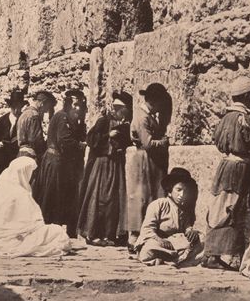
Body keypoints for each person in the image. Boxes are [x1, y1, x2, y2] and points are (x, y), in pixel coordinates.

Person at [201, 75, 250, 271]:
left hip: (225, 166)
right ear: (246, 96)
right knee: (234, 209)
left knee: (220, 207)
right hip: (239, 169)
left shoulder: (224, 118)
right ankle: (230, 255)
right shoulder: (243, 118)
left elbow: (217, 140)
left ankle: (212, 252)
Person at [0, 155, 84, 257]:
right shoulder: (20, 193)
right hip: (17, 236)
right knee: (57, 232)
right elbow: (33, 223)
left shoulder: (4, 187)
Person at [77, 91, 132, 246]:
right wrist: (108, 135)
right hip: (102, 165)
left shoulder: (125, 124)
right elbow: (91, 140)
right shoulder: (103, 121)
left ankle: (109, 234)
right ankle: (93, 233)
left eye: (119, 109)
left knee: (113, 200)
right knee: (98, 198)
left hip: (115, 165)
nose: (117, 111)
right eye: (115, 108)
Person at [125, 82, 171, 249]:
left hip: (148, 160)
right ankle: (135, 236)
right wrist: (164, 142)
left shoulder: (147, 115)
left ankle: (144, 234)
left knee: (147, 195)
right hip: (144, 160)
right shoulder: (142, 116)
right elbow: (148, 143)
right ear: (154, 101)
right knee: (141, 196)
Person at [40, 89, 87, 236]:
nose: (77, 108)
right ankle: (50, 229)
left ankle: (64, 228)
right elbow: (64, 141)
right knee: (54, 196)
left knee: (64, 196)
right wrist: (81, 145)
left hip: (62, 163)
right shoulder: (62, 117)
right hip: (56, 162)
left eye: (80, 105)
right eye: (75, 105)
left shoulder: (71, 118)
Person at [134, 167, 201, 267]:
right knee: (148, 249)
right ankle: (177, 258)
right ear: (170, 190)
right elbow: (147, 229)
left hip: (176, 243)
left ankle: (170, 258)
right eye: (178, 190)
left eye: (185, 191)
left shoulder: (184, 208)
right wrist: (160, 240)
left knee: (202, 240)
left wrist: (190, 231)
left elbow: (186, 226)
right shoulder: (158, 204)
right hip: (158, 242)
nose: (182, 194)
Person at [18, 89, 55, 162]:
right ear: (42, 104)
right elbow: (35, 141)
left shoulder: (24, 114)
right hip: (30, 156)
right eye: (46, 109)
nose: (45, 112)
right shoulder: (34, 116)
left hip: (20, 154)